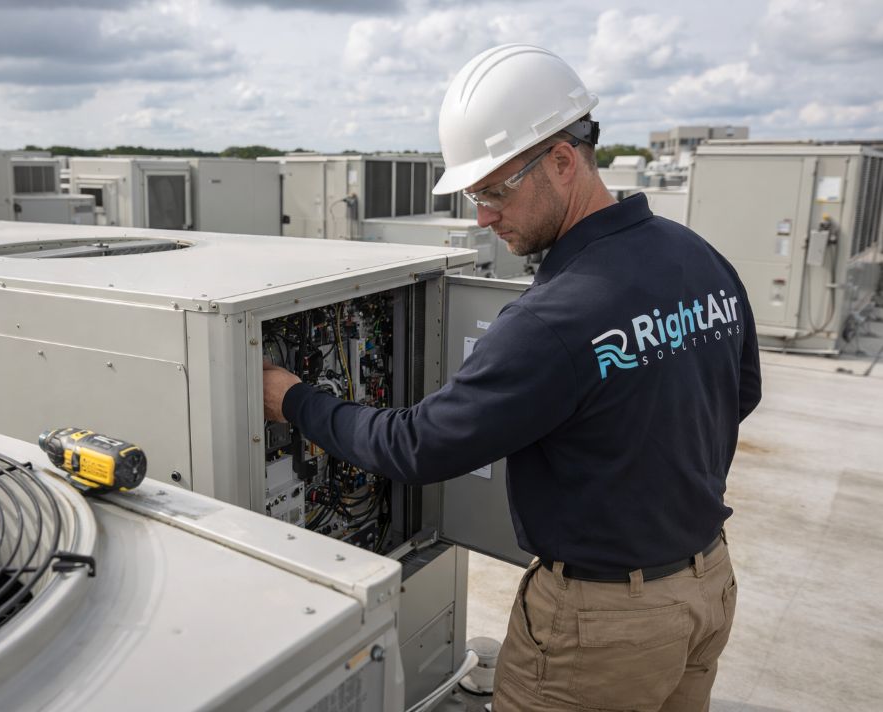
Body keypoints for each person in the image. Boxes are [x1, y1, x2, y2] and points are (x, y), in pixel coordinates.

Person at [264, 44, 761, 711]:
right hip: (707, 589)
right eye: (475, 195)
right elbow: (740, 394)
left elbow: (415, 447)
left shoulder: (554, 319)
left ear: (562, 160)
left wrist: (293, 399)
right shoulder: (698, 258)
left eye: (496, 191)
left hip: (604, 627)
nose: (483, 218)